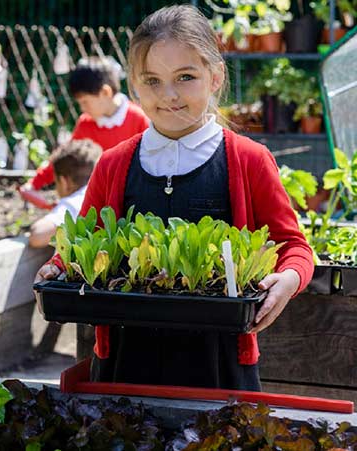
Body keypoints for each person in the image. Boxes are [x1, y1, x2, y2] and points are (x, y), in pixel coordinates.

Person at [34, 5, 313, 390]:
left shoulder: (248, 160)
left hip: (220, 363)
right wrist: (58, 267)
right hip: (123, 360)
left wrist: (289, 278)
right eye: (152, 81)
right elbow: (86, 245)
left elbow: (293, 246)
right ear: (133, 85)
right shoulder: (114, 164)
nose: (168, 96)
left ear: (215, 77)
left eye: (185, 77)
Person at [20, 56, 149, 204]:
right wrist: (34, 184)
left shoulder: (138, 119)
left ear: (105, 92)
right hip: (98, 197)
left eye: (85, 102)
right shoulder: (86, 123)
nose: (82, 108)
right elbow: (66, 158)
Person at [28, 139, 101, 248]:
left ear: (63, 181)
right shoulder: (102, 191)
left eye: (55, 182)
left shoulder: (75, 202)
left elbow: (38, 236)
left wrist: (61, 208)